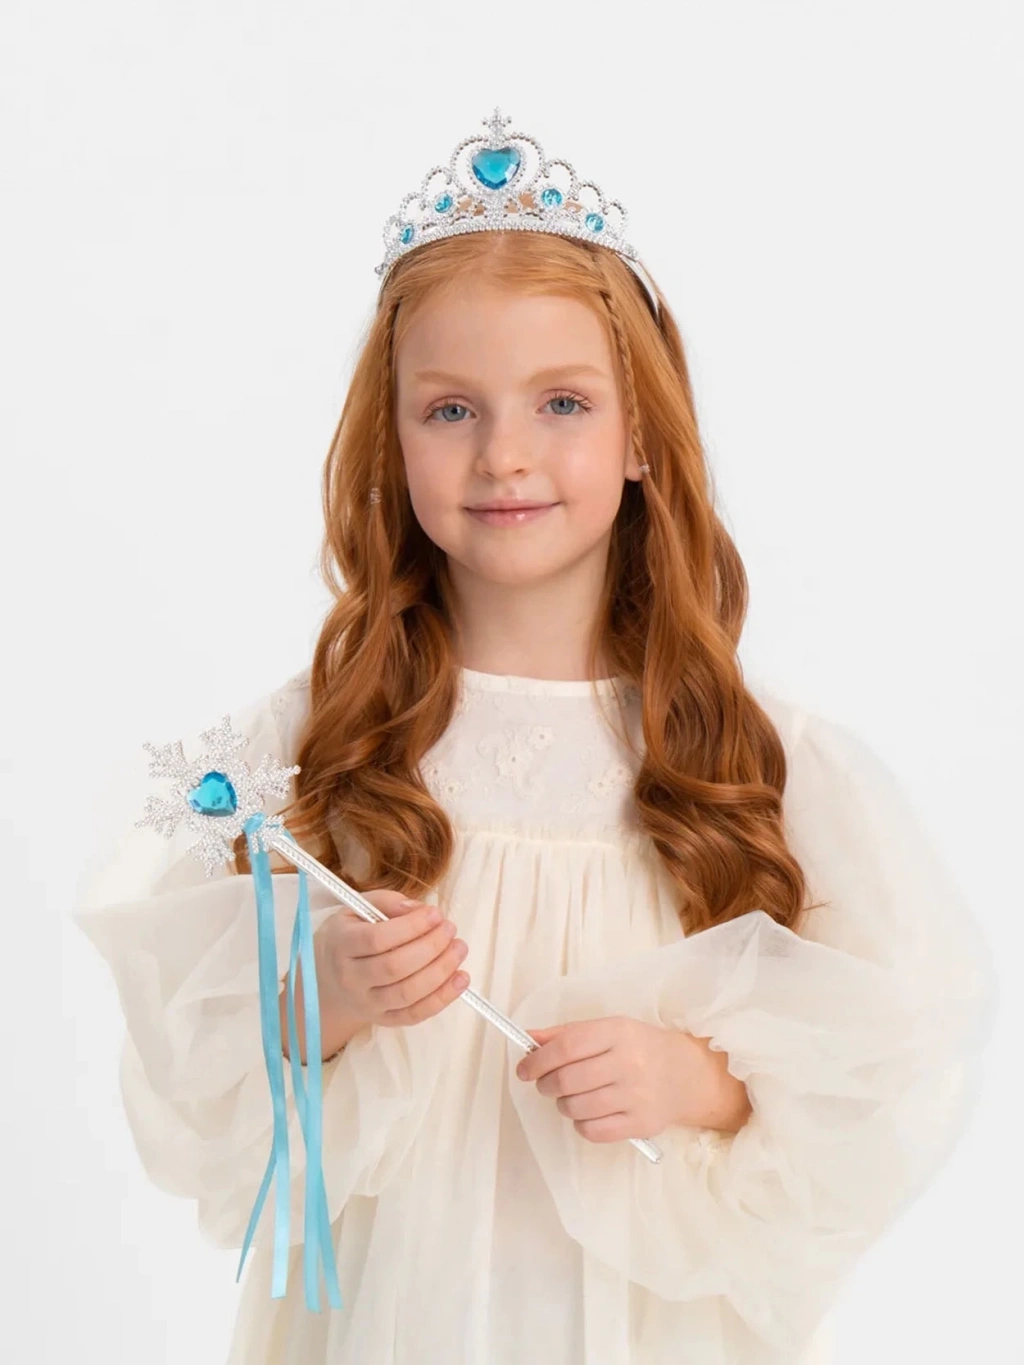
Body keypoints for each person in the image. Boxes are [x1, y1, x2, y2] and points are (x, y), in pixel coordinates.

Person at [73, 109, 997, 1365]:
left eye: (561, 401)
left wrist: (695, 1081)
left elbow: (881, 1062)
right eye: (450, 410)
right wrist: (328, 990)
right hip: (395, 1313)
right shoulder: (320, 741)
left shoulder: (752, 759)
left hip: (647, 1321)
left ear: (640, 437)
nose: (504, 455)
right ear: (391, 439)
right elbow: (200, 1065)